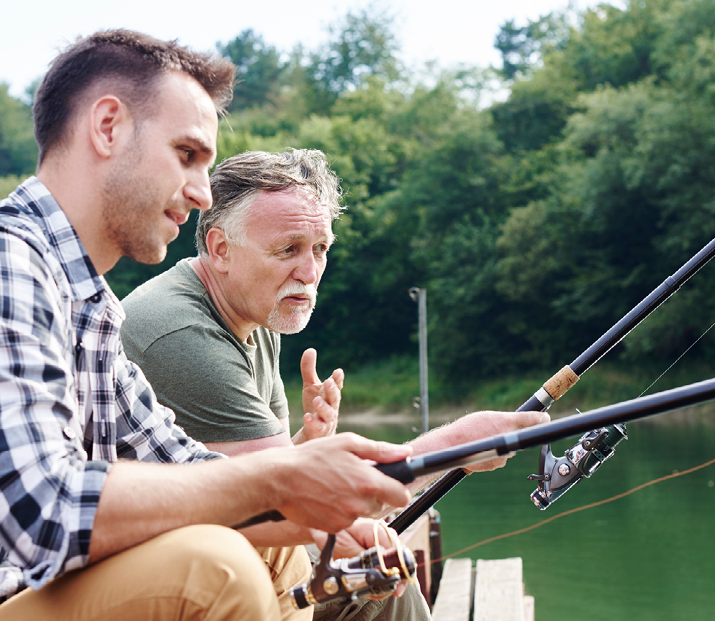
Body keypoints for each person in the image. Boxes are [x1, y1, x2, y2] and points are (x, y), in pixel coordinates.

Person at [0, 31, 418, 621]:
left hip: (3, 597)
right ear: (108, 127)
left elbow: (183, 464)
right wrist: (283, 478)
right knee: (216, 570)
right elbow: (45, 511)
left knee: (273, 545)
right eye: (187, 155)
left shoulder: (87, 305)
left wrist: (327, 513)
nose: (202, 192)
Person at [119, 149, 551, 620]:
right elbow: (285, 499)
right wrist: (455, 446)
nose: (308, 273)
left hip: (221, 548)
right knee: (379, 589)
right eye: (288, 249)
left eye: (320, 249)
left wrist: (308, 444)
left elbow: (249, 476)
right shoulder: (185, 335)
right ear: (221, 249)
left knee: (380, 579)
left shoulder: (255, 310)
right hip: (164, 581)